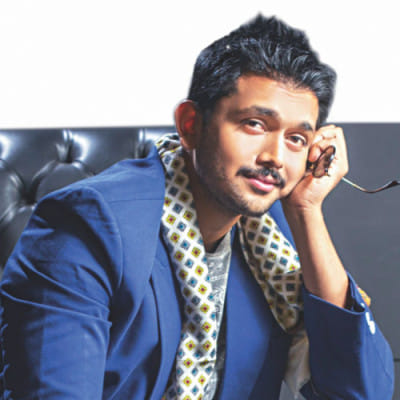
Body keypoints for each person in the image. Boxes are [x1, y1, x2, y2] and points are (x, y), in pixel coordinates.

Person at [0, 14, 394, 400]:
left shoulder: (271, 234)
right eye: (255, 124)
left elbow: (361, 391)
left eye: (296, 139)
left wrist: (307, 212)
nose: (275, 157)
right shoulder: (86, 225)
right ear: (190, 125)